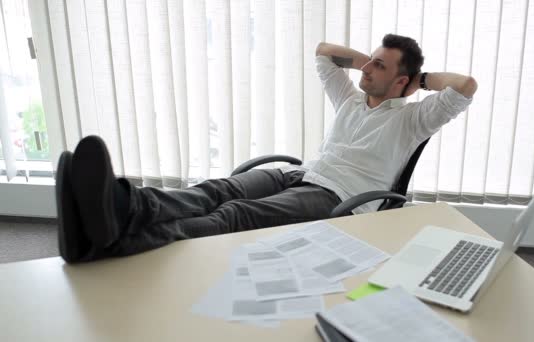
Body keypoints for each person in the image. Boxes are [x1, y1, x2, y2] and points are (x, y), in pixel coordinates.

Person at [56, 34, 477, 263]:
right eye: (369, 61)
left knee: (234, 216)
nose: (365, 69)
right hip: (299, 174)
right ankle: (120, 209)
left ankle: (112, 239)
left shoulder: (412, 118)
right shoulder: (350, 98)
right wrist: (373, 59)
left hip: (339, 197)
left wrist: (419, 81)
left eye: (379, 66)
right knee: (217, 189)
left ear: (403, 82)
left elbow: (465, 87)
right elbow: (324, 53)